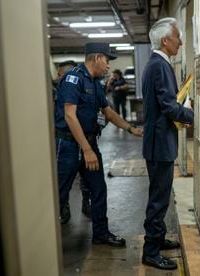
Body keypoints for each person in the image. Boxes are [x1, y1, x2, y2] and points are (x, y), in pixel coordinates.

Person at [55, 42, 143, 247]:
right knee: (59, 192)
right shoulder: (73, 79)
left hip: (89, 143)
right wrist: (86, 150)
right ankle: (42, 239)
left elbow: (108, 112)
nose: (109, 65)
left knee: (98, 189)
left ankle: (101, 234)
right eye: (107, 60)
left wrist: (131, 129)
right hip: (69, 145)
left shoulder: (95, 82)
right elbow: (69, 116)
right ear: (96, 58)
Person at [141, 17, 194, 270]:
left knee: (160, 194)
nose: (180, 42)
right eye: (177, 37)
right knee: (159, 199)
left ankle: (158, 239)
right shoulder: (159, 66)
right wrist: (195, 117)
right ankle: (150, 251)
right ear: (165, 40)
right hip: (159, 142)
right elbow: (169, 106)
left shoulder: (157, 64)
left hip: (159, 140)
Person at [53, 60, 92, 223]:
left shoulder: (81, 86)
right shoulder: (53, 90)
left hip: (81, 139)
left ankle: (85, 202)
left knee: (87, 177)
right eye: (62, 75)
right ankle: (63, 208)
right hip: (62, 138)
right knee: (63, 180)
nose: (61, 77)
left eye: (62, 74)